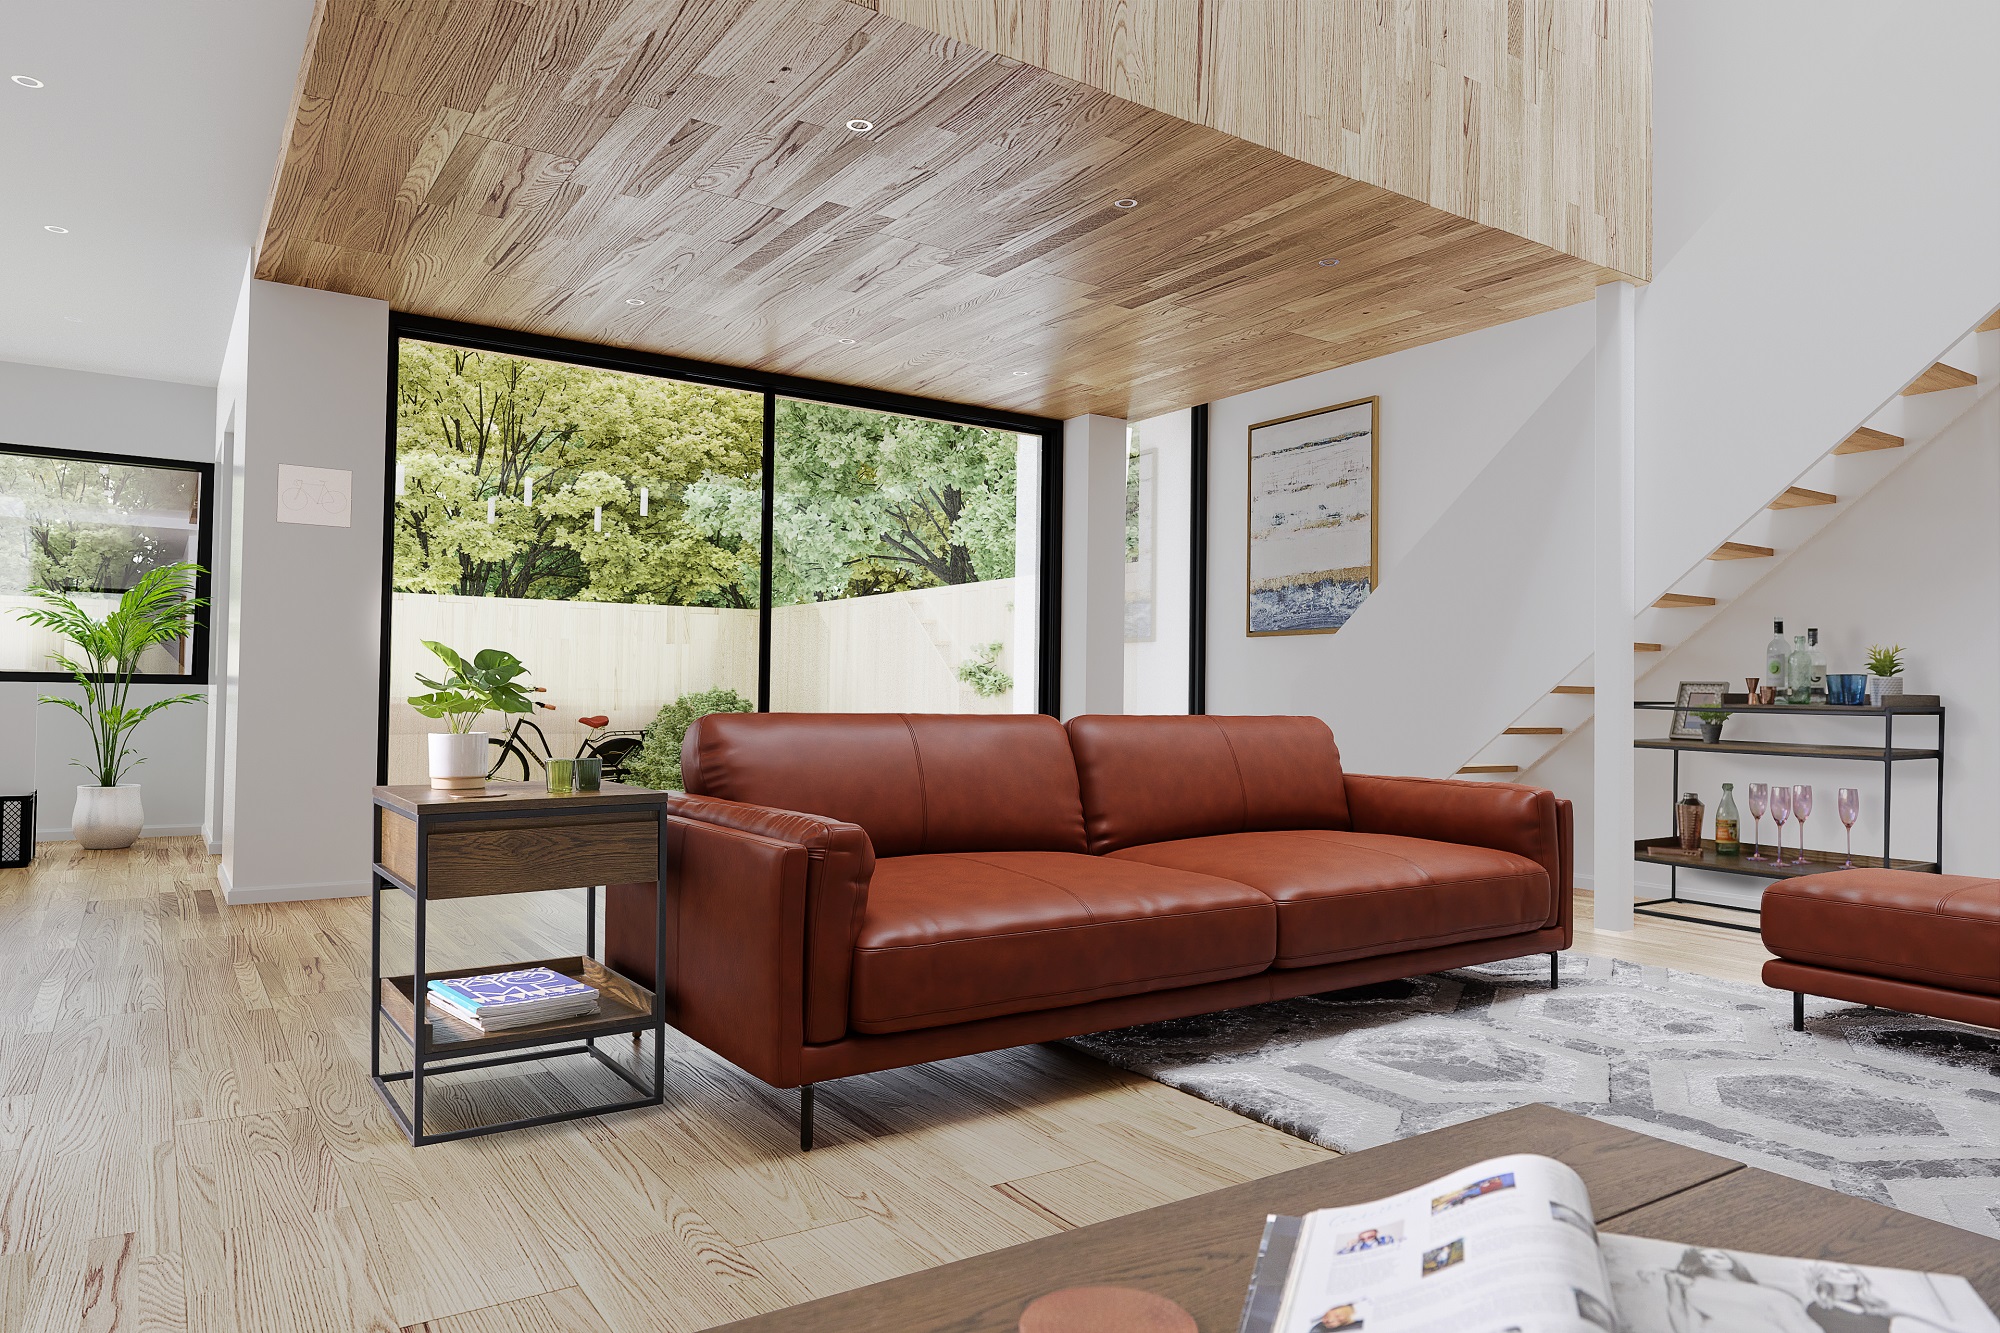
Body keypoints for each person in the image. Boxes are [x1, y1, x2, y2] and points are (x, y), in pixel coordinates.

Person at [1663, 1247, 1820, 1333]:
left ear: (1731, 1261)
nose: (1710, 1259)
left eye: (1718, 1256)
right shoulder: (1697, 1288)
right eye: (1704, 1257)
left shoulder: (1765, 1292)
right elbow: (1677, 1312)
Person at [1805, 1263, 1965, 1333]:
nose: (1843, 1272)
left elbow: (1925, 1318)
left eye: (1847, 1270)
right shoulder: (1816, 1309)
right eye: (1837, 1271)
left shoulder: (1876, 1303)